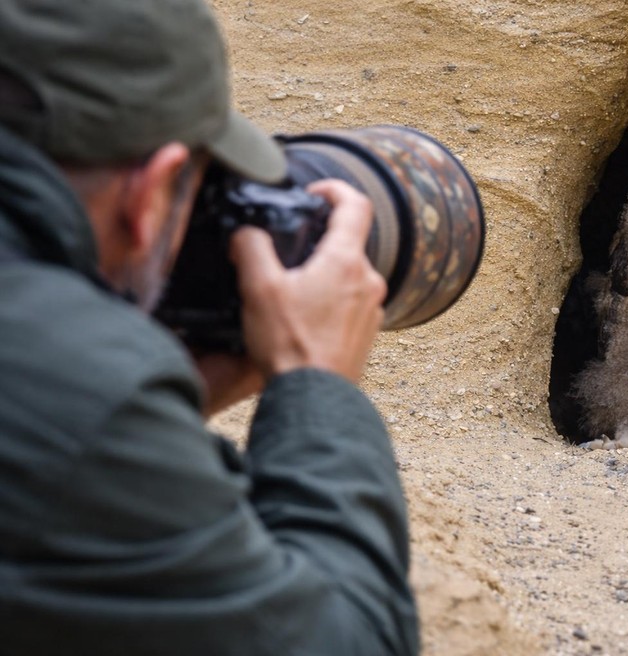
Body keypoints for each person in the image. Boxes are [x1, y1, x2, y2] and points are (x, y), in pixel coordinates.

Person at [0, 1, 419, 654]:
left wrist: (166, 409)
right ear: (151, 193)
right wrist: (315, 383)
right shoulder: (76, 392)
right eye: (193, 193)